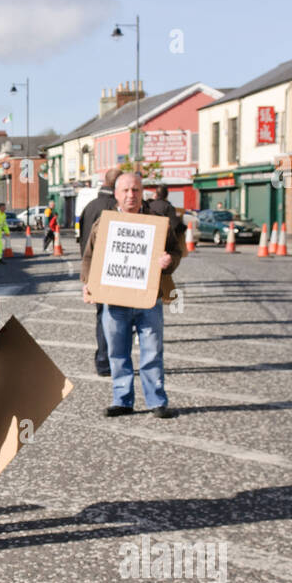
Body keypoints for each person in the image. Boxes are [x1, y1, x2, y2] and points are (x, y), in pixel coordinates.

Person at [80, 171, 181, 418]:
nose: (130, 195)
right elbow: (90, 257)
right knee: (117, 351)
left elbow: (175, 251)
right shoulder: (104, 223)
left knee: (153, 350)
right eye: (125, 190)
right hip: (115, 299)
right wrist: (88, 283)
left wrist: (169, 260)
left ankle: (157, 401)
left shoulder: (157, 222)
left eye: (135, 190)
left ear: (142, 192)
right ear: (116, 194)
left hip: (149, 298)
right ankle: (122, 399)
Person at [77, 167, 120, 377]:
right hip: (114, 270)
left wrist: (86, 274)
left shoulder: (90, 206)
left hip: (93, 268)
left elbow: (82, 239)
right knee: (115, 317)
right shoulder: (116, 207)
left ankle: (103, 361)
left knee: (102, 316)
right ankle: (111, 360)